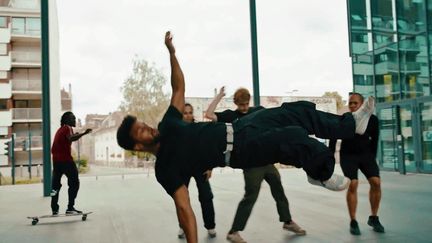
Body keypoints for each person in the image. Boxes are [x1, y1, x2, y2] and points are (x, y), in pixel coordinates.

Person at [116, 31, 375, 243]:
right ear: (138, 146)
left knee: (293, 112)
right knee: (293, 136)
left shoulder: (168, 124)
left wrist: (172, 54)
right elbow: (184, 208)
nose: (148, 128)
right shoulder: (165, 169)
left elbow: (178, 87)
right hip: (239, 151)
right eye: (141, 130)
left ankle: (350, 126)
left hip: (241, 126)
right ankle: (321, 171)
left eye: (144, 124)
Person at [205, 87, 305, 243]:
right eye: (240, 105)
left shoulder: (258, 111)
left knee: (278, 189)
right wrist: (219, 96)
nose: (244, 108)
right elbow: (209, 114)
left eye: (245, 104)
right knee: (250, 196)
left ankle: (287, 221)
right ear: (236, 103)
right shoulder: (232, 116)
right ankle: (233, 231)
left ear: (249, 101)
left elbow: (276, 119)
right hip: (251, 164)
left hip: (267, 160)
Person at [329, 92, 384, 235]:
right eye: (350, 103)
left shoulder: (372, 120)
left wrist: (371, 157)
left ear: (362, 104)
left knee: (376, 182)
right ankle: (353, 221)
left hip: (366, 155)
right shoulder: (344, 119)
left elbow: (375, 139)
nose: (352, 105)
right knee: (353, 184)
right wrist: (330, 156)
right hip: (348, 156)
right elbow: (333, 137)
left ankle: (374, 217)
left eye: (355, 103)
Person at [177, 103, 217, 239]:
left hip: (201, 167)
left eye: (190, 112)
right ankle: (183, 226)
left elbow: (208, 147)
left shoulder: (199, 128)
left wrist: (210, 167)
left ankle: (210, 226)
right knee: (182, 200)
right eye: (185, 113)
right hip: (183, 169)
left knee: (206, 196)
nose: (188, 115)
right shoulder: (176, 130)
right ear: (181, 115)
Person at [51, 111, 92, 215]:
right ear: (67, 120)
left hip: (56, 161)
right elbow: (71, 138)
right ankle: (70, 207)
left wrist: (76, 135)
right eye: (72, 118)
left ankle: (54, 208)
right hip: (65, 161)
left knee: (55, 186)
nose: (74, 120)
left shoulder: (60, 129)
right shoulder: (67, 128)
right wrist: (84, 133)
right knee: (74, 183)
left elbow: (70, 138)